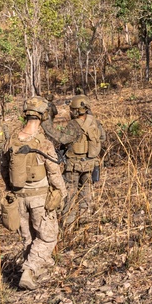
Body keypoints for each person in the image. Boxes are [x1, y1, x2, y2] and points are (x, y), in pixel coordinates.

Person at [3, 96, 67, 291]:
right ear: (43, 115)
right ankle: (29, 270)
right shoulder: (43, 142)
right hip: (39, 197)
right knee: (48, 236)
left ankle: (41, 267)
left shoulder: (12, 139)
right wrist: (61, 193)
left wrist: (11, 190)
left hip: (18, 196)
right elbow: (54, 172)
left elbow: (4, 168)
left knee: (29, 237)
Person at [60, 96, 104, 226]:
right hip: (91, 164)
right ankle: (85, 222)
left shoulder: (73, 125)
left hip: (74, 165)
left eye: (72, 109)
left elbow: (63, 140)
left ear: (76, 111)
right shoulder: (95, 122)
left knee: (70, 195)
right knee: (86, 193)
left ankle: (69, 223)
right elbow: (103, 137)